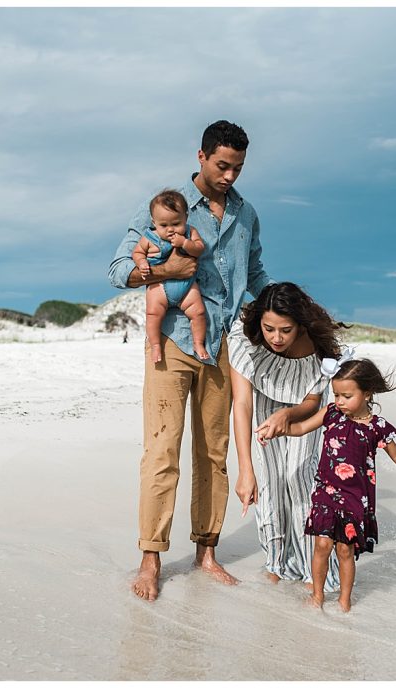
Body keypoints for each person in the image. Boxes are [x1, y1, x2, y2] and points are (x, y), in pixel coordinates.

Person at [108, 120, 271, 602]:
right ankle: (150, 558)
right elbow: (118, 271)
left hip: (222, 341)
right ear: (200, 157)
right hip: (174, 341)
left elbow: (255, 272)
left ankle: (207, 551)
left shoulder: (246, 214)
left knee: (213, 453)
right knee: (163, 451)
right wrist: (166, 269)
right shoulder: (166, 204)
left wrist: (286, 305)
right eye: (222, 165)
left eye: (238, 168)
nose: (229, 177)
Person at [278, 358, 396, 612]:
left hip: (355, 499)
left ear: (367, 394)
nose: (339, 401)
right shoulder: (330, 414)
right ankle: (317, 596)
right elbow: (302, 427)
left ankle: (344, 600)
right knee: (322, 545)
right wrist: (279, 429)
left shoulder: (377, 428)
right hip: (325, 492)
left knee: (345, 551)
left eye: (346, 396)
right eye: (336, 394)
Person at [230, 282, 350, 592]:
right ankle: (277, 562)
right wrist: (245, 469)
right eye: (269, 328)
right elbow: (242, 404)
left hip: (303, 409)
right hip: (264, 402)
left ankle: (315, 566)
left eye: (286, 330)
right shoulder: (246, 341)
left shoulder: (318, 348)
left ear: (300, 325)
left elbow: (312, 402)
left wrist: (288, 415)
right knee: (271, 480)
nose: (276, 337)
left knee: (299, 479)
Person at [131, 189, 209, 363]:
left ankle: (198, 343)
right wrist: (142, 263)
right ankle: (156, 345)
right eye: (164, 226)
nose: (170, 230)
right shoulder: (149, 237)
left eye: (176, 223)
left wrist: (185, 243)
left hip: (187, 286)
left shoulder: (190, 232)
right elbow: (137, 252)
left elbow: (199, 249)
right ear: (154, 223)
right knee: (152, 314)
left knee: (198, 313)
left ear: (186, 218)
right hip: (159, 287)